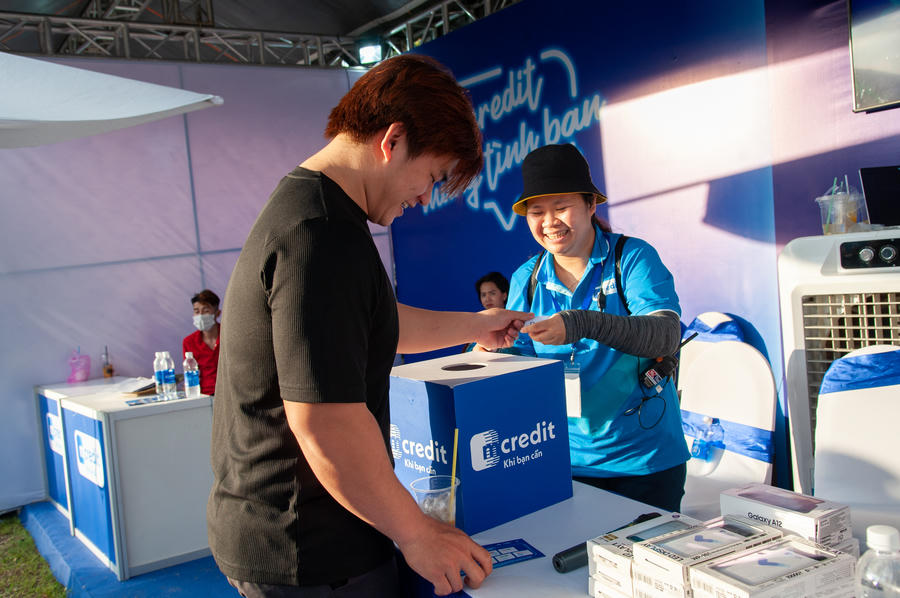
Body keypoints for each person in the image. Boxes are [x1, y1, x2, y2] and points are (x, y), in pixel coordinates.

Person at [207, 54, 532, 598]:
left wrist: (479, 325)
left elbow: (376, 322)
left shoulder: (318, 210)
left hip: (307, 532)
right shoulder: (321, 235)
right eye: (431, 177)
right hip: (309, 548)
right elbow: (325, 421)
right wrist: (417, 533)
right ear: (393, 140)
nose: (424, 198)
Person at [501, 143, 690, 512]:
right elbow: (518, 367)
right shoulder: (526, 278)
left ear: (590, 204)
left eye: (561, 207)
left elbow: (666, 335)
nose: (549, 222)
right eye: (536, 212)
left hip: (646, 463)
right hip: (565, 463)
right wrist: (493, 349)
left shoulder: (631, 257)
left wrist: (580, 323)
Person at [182, 289, 220, 395]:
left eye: (206, 311)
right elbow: (190, 373)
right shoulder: (189, 342)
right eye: (197, 311)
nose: (201, 315)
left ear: (217, 313)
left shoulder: (229, 335)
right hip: (203, 395)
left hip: (230, 393)